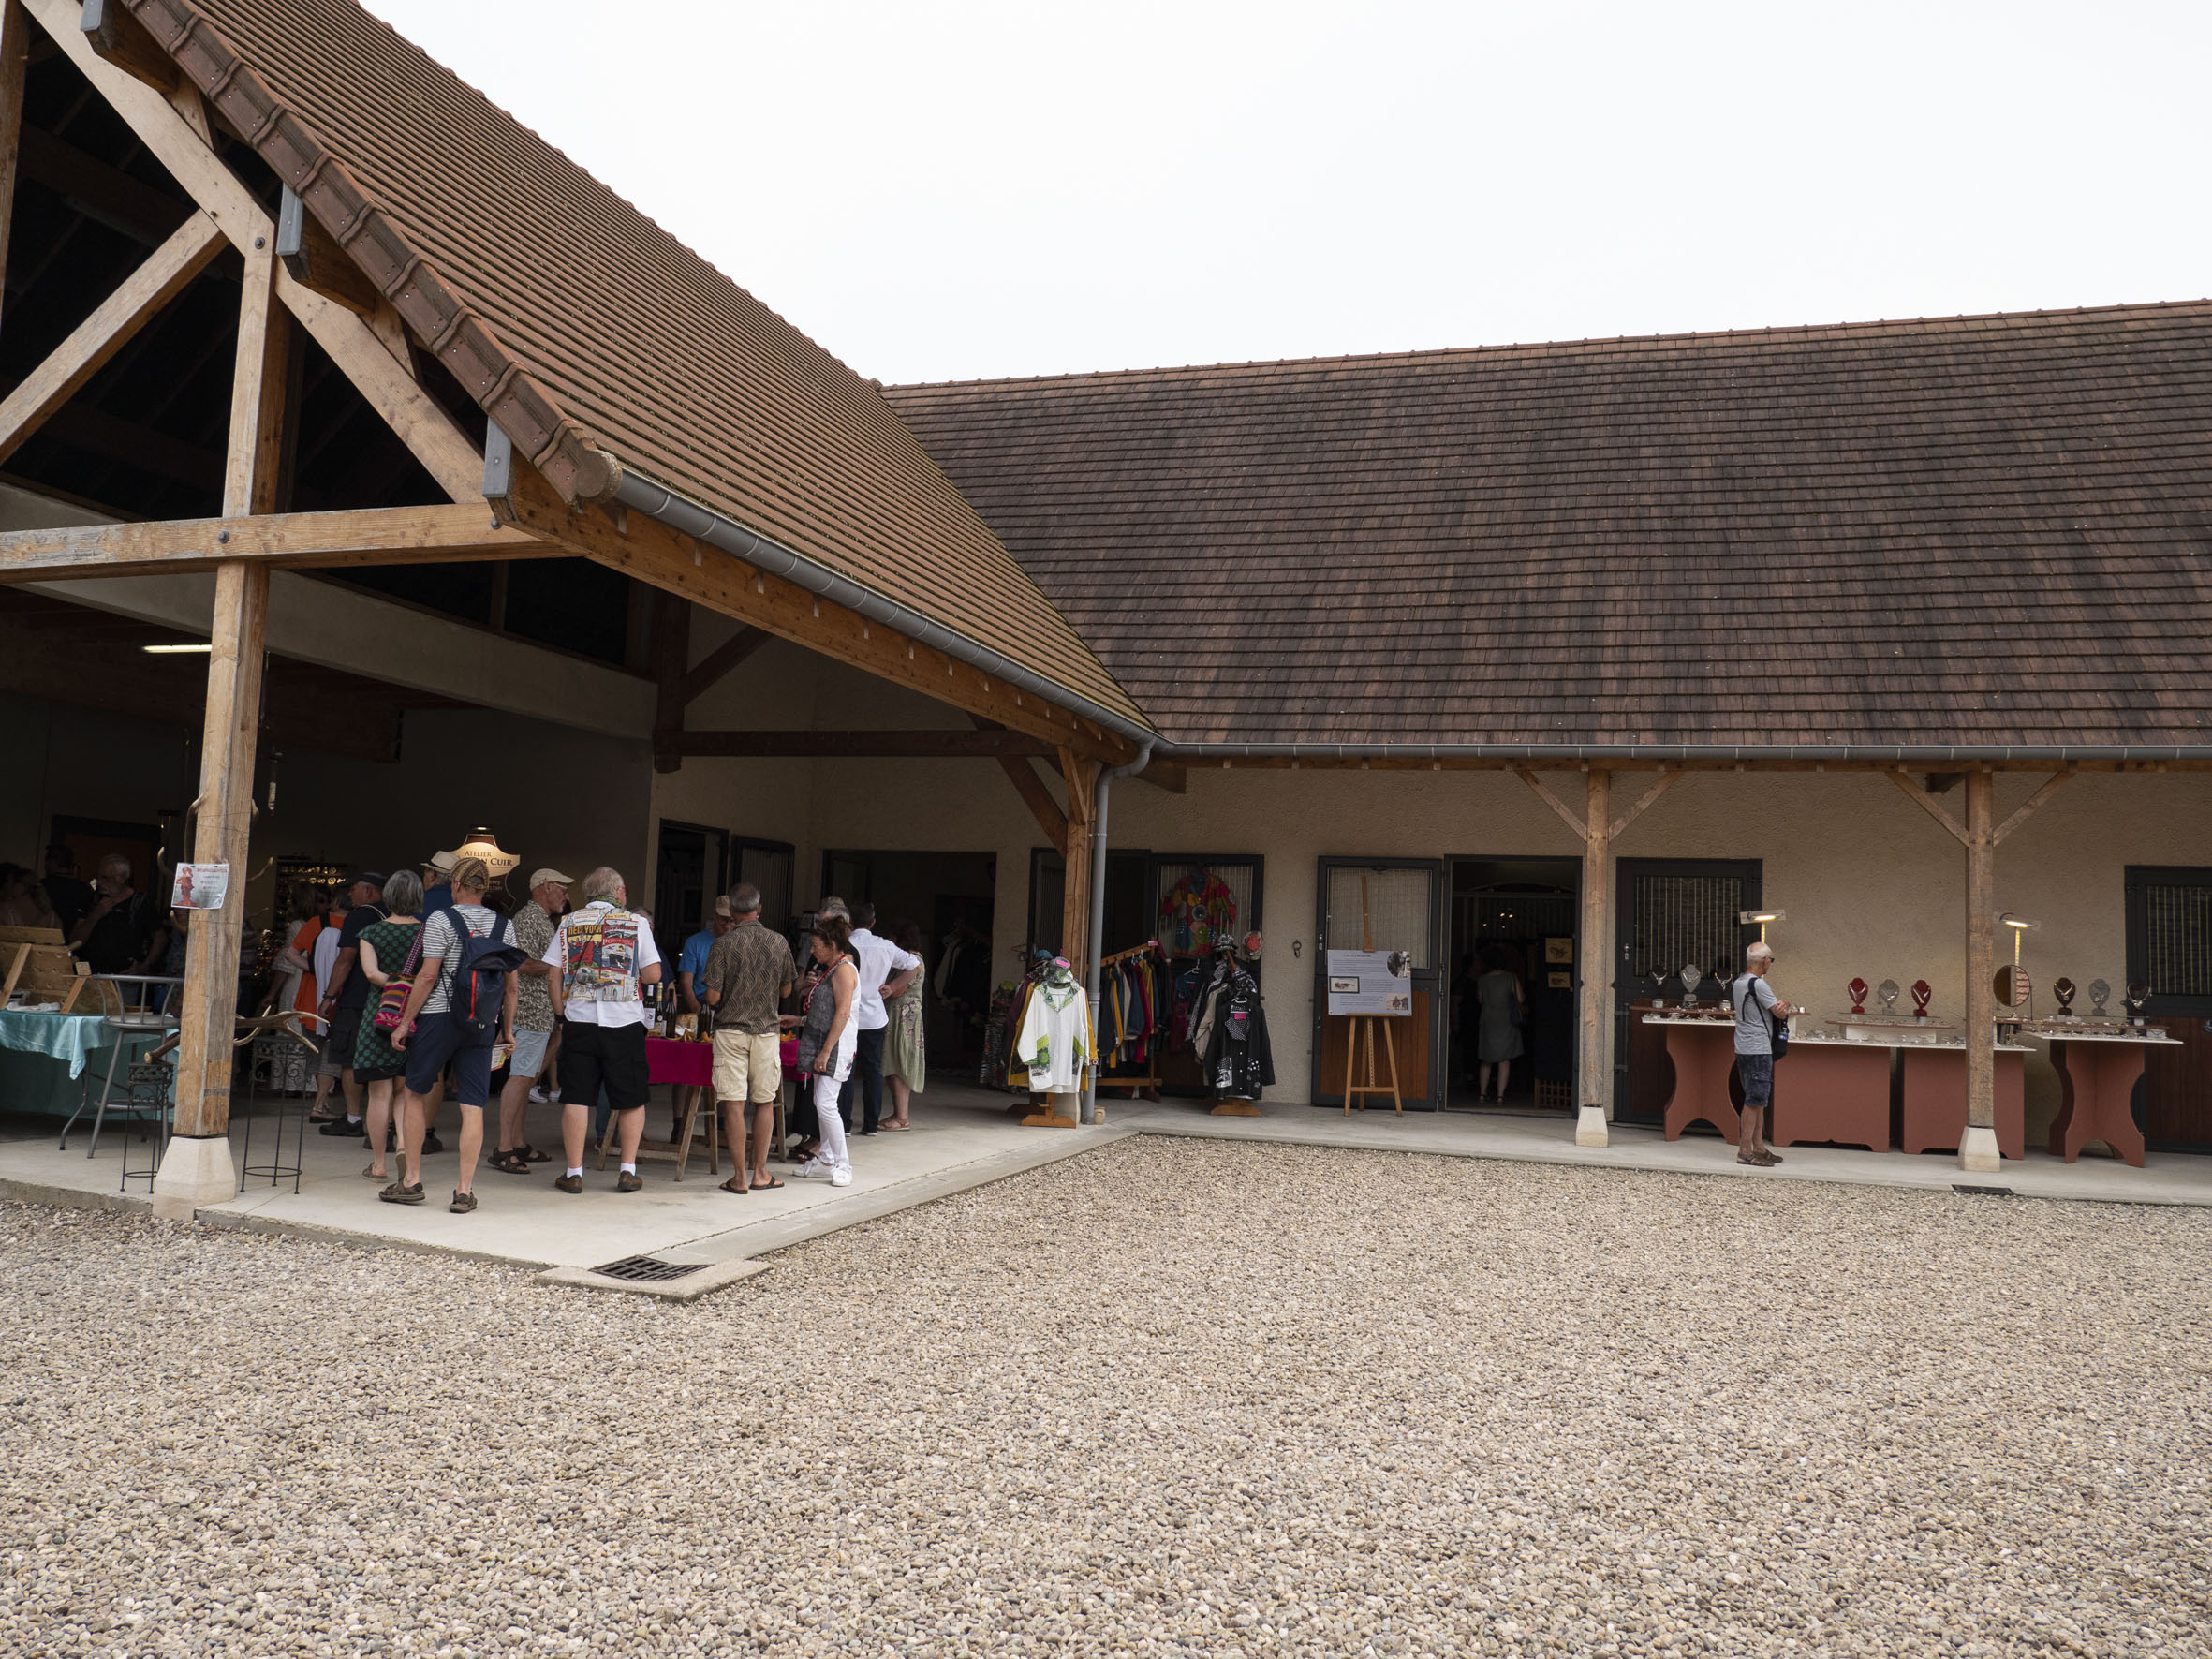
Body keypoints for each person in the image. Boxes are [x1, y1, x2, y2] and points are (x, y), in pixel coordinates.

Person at [386, 857, 520, 1213]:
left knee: (415, 1093)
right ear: (484, 888)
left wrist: (403, 1022)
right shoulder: (503, 926)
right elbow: (511, 988)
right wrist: (506, 1031)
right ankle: (464, 1190)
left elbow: (427, 977)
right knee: (473, 1105)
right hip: (481, 1022)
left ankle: (411, 1180)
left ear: (457, 887)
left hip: (438, 1018)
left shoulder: (441, 920)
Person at [543, 866, 662, 1193]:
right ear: (619, 892)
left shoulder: (568, 922)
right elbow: (652, 975)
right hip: (623, 1020)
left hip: (579, 1020)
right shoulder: (636, 923)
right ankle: (627, 1170)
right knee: (631, 1097)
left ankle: (574, 1172)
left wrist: (561, 1014)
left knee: (577, 1096)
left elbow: (553, 975)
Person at [700, 882, 797, 1194]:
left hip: (730, 1031)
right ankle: (761, 1172)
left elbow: (712, 997)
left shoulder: (723, 944)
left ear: (732, 912)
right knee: (765, 1103)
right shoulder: (779, 942)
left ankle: (739, 1177)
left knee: (733, 1105)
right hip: (767, 1032)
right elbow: (786, 990)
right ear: (759, 908)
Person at [489, 867, 572, 1175]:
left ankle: (518, 1142)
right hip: (527, 1010)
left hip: (537, 1012)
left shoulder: (539, 920)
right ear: (546, 887)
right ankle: (504, 1148)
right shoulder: (528, 918)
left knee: (526, 1079)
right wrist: (558, 968)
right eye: (562, 889)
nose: (566, 896)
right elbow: (518, 962)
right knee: (521, 1077)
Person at [351, 872, 425, 1187]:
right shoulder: (426, 932)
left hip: (379, 1018)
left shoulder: (371, 931)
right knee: (406, 1093)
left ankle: (379, 1164)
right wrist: (412, 987)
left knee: (378, 1093)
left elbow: (370, 974)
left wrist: (395, 983)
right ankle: (403, 1149)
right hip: (417, 1018)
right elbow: (430, 975)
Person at [827, 897, 920, 1136]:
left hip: (847, 1014)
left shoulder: (843, 944)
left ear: (848, 921)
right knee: (872, 1069)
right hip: (875, 1016)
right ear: (873, 921)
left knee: (846, 1068)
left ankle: (845, 1124)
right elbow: (915, 965)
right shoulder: (885, 946)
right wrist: (893, 985)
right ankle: (870, 1125)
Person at [314, 871, 390, 1139]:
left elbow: (345, 959)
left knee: (350, 1058)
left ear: (368, 891)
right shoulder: (398, 914)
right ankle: (386, 1122)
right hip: (390, 999)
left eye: (353, 888)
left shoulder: (359, 916)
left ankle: (354, 1117)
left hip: (358, 998)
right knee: (385, 1059)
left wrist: (328, 996)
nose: (349, 894)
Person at [793, 914, 859, 1187]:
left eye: (816, 945)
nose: (812, 950)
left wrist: (825, 1051)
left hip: (835, 1045)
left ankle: (843, 1163)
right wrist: (797, 1020)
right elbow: (825, 1013)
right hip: (824, 1041)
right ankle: (827, 1158)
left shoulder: (843, 970)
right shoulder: (832, 968)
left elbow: (842, 1014)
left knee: (825, 1103)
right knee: (822, 1103)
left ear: (832, 944)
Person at [1731, 941, 1795, 1168]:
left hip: (1743, 1046)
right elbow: (1780, 1011)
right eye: (1771, 960)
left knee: (1757, 1099)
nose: (1771, 964)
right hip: (1758, 1047)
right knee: (1755, 1100)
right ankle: (1745, 1149)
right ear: (1764, 961)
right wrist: (1786, 1002)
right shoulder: (1758, 984)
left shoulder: (1739, 982)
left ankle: (1758, 1147)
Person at [71, 854, 170, 984]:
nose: (100, 882)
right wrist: (95, 916)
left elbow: (160, 937)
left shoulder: (141, 903)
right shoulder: (91, 899)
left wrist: (145, 967)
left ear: (123, 878)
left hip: (125, 979)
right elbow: (74, 940)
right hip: (89, 978)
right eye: (99, 877)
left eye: (106, 878)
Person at [881, 917, 927, 1130]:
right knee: (896, 1063)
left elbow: (897, 990)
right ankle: (899, 1115)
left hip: (902, 1017)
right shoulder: (913, 959)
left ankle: (902, 1117)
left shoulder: (910, 961)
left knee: (899, 1064)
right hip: (904, 1016)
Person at [1473, 948, 1526, 1104]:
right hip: (1505, 1021)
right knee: (1504, 1060)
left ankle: (1482, 1094)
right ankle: (1500, 1096)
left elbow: (1480, 999)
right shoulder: (1511, 977)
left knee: (1486, 1059)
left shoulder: (1482, 980)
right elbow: (1520, 999)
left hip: (1488, 1020)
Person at [40, 846, 93, 941]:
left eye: (46, 861)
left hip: (44, 940)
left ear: (52, 862)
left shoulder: (42, 887)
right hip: (74, 945)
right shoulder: (84, 889)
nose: (44, 866)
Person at [0, 864, 60, 929]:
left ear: (21, 886)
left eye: (11, 883)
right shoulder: (51, 914)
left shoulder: (6, 908)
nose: (7, 887)